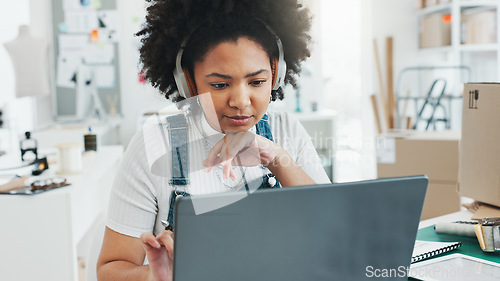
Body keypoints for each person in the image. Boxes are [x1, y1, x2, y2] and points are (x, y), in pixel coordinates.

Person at [97, 0, 330, 280]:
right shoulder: (154, 144)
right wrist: (156, 276)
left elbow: (331, 230)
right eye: (220, 85)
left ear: (275, 73)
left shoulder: (286, 130)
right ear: (188, 82)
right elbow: (110, 269)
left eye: (256, 82)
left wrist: (275, 158)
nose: (241, 101)